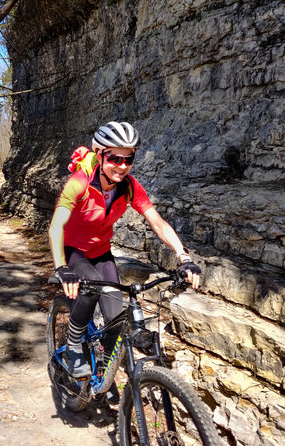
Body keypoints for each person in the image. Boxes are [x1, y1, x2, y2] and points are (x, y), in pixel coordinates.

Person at [48, 121, 201, 396]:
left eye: (128, 159)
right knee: (91, 284)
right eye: (114, 158)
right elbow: (56, 226)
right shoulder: (80, 182)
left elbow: (157, 222)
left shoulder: (129, 186)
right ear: (100, 154)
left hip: (101, 251)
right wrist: (61, 267)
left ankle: (102, 373)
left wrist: (183, 256)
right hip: (73, 250)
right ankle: (73, 345)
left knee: (115, 319)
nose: (121, 165)